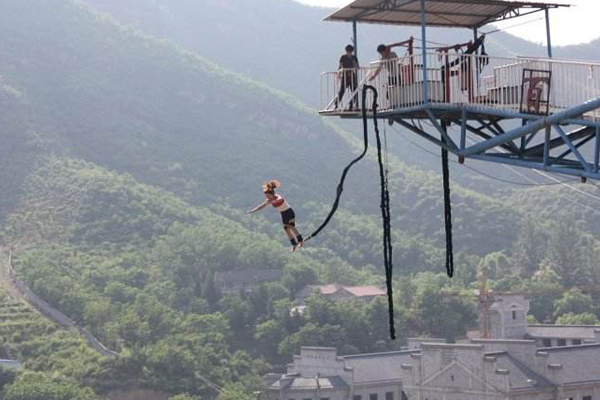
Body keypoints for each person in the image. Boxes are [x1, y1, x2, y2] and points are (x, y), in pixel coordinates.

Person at [248, 180, 304, 251]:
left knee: (291, 226)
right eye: (266, 196)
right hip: (283, 214)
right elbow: (261, 206)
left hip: (289, 212)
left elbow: (280, 200)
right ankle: (294, 244)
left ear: (272, 194)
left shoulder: (277, 197)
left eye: (268, 196)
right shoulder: (269, 200)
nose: (267, 197)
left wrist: (273, 201)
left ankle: (300, 240)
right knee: (286, 229)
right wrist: (253, 210)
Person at [335, 44, 360, 110]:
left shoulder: (354, 58)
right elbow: (340, 66)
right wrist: (339, 73)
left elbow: (357, 67)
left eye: (350, 52)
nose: (349, 53)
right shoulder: (343, 57)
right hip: (345, 76)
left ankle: (351, 105)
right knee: (342, 91)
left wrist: (354, 64)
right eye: (348, 52)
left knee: (354, 91)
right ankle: (336, 105)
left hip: (352, 76)